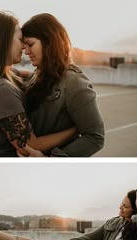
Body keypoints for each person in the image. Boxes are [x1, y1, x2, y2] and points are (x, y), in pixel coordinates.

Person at [0, 11, 76, 157]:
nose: (24, 48)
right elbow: (30, 145)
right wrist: (76, 130)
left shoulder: (5, 75)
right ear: (3, 41)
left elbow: (31, 76)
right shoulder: (1, 90)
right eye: (21, 40)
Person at [19, 13, 104, 157]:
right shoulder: (37, 74)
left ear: (49, 42)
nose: (26, 52)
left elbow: (95, 137)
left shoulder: (74, 82)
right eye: (24, 46)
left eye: (31, 44)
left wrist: (50, 161)